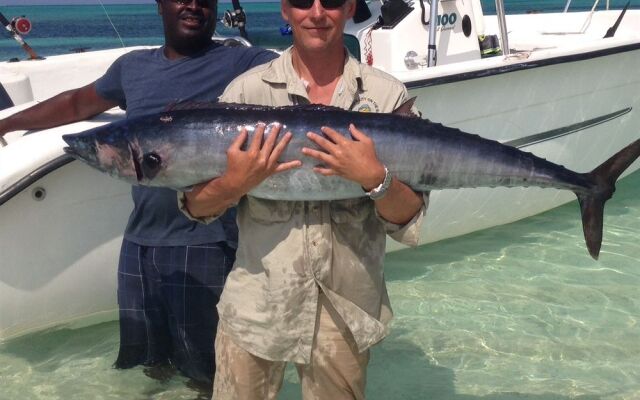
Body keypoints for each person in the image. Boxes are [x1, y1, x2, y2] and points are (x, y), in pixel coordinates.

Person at [0, 0, 276, 387]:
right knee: (150, 366)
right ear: (160, 6)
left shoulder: (242, 63)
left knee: (208, 373)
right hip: (139, 243)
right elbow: (78, 103)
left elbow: (297, 77)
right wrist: (7, 123)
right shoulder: (133, 67)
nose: (194, 5)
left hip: (207, 242)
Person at [180, 0, 428, 397]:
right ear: (284, 10)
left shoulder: (385, 95)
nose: (316, 12)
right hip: (256, 306)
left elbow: (409, 215)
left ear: (349, 8)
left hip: (345, 311)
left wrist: (374, 178)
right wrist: (234, 182)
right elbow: (196, 208)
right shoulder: (247, 91)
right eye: (301, 1)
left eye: (330, 1)